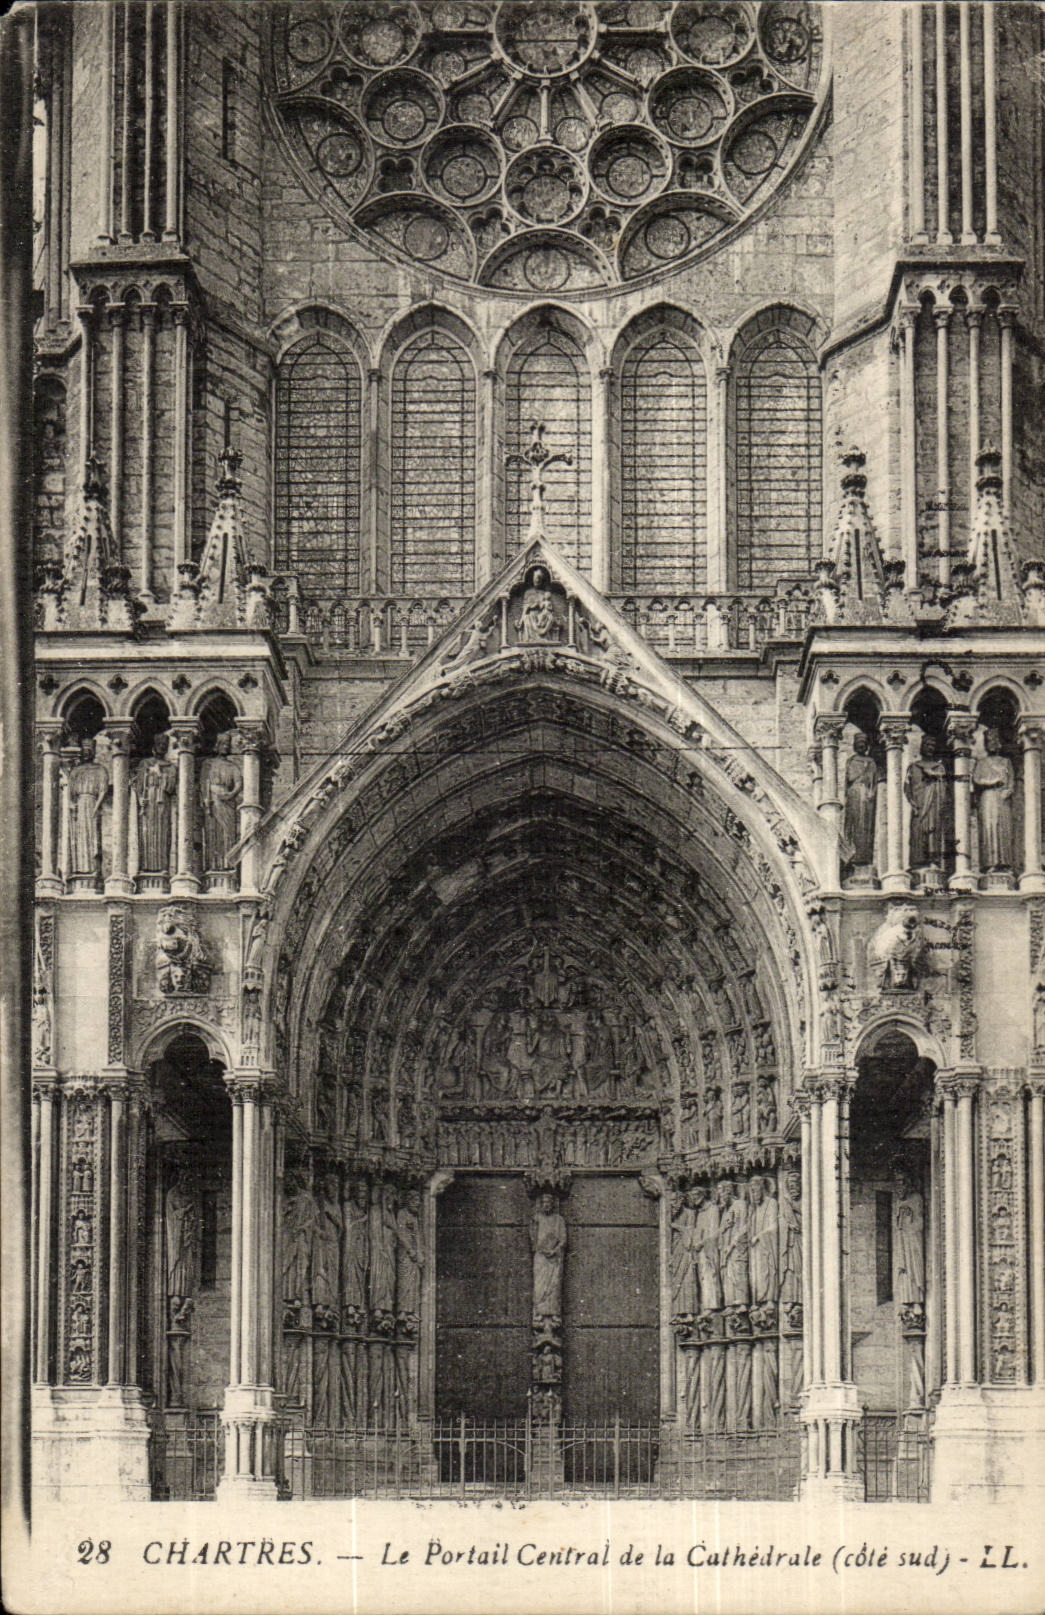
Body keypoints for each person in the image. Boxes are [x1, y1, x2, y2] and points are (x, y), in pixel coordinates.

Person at [199, 729, 243, 871]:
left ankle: (227, 865)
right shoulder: (208, 764)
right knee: (213, 831)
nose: (225, 746)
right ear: (217, 745)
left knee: (228, 833)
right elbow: (204, 782)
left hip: (227, 802)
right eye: (223, 743)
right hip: (213, 801)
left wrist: (231, 795)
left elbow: (238, 783)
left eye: (228, 744)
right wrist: (206, 800)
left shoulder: (233, 766)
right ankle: (214, 866)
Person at [132, 733, 176, 873]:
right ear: (154, 747)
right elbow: (139, 785)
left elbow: (170, 787)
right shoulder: (145, 764)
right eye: (159, 745)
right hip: (148, 802)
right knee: (146, 833)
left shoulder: (171, 767)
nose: (161, 747)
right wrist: (140, 799)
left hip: (162, 802)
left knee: (163, 833)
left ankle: (163, 867)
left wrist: (159, 775)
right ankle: (145, 867)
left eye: (164, 745)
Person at [973, 728, 1015, 872]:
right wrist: (991, 783)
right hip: (988, 798)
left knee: (1003, 828)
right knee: (989, 828)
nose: (992, 744)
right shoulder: (982, 762)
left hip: (1002, 798)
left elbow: (1011, 782)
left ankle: (1005, 863)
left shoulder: (1006, 761)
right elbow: (977, 779)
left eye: (994, 741)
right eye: (989, 741)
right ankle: (990, 863)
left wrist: (1007, 791)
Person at [67, 736, 109, 878]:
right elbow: (70, 793)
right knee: (80, 837)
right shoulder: (75, 771)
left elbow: (103, 790)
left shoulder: (100, 770)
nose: (86, 752)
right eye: (84, 750)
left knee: (92, 837)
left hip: (92, 804)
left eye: (89, 749)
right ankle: (80, 868)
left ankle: (93, 869)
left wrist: (96, 808)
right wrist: (73, 806)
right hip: (80, 805)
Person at [905, 733, 949, 869]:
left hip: (933, 806)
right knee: (917, 831)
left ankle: (933, 861)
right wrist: (912, 803)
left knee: (933, 830)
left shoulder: (939, 768)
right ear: (922, 747)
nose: (930, 748)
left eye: (932, 746)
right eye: (927, 745)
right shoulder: (913, 767)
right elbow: (907, 788)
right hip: (918, 806)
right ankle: (918, 863)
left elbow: (944, 787)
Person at [843, 730, 879, 869]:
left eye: (863, 744)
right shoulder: (851, 761)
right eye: (858, 743)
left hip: (866, 797)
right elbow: (850, 778)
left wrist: (871, 793)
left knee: (865, 826)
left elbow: (874, 782)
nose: (861, 746)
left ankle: (864, 856)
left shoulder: (871, 762)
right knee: (853, 824)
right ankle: (851, 853)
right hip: (854, 795)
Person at [531, 1191, 567, 1323]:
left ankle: (554, 1314)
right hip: (541, 1257)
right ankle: (539, 1312)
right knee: (540, 1286)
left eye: (549, 1203)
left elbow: (563, 1240)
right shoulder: (537, 1219)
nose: (547, 1206)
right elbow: (534, 1238)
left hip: (554, 1258)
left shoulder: (559, 1220)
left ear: (553, 1205)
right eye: (544, 1203)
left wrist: (555, 1250)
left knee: (554, 1285)